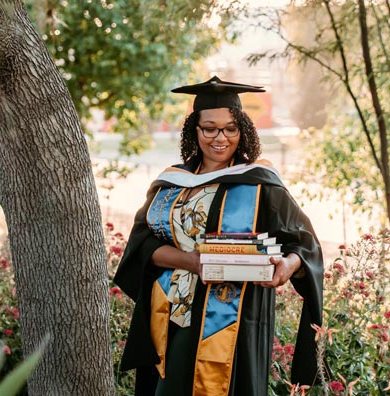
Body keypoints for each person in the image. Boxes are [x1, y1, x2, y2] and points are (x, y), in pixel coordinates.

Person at [113, 76, 324, 396]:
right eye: (209, 128)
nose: (219, 138)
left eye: (230, 128)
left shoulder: (260, 183)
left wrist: (287, 266)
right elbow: (142, 244)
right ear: (194, 130)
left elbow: (303, 242)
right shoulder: (172, 183)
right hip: (175, 317)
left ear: (243, 131)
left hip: (236, 320)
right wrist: (191, 261)